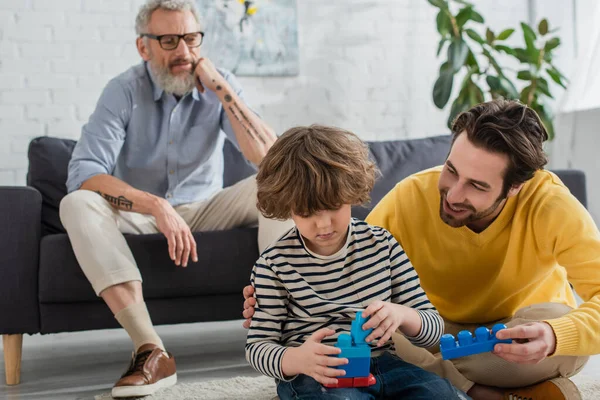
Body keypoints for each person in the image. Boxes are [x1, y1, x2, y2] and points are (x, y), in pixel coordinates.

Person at [244, 99, 600, 400]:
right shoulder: (411, 196)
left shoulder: (550, 205)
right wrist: (272, 303)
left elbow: (417, 318)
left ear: (515, 188)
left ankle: (467, 385)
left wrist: (555, 337)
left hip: (506, 338)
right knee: (384, 339)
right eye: (451, 170)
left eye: (477, 185)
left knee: (563, 329)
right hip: (423, 339)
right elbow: (346, 270)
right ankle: (488, 390)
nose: (454, 194)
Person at [59, 0, 291, 397]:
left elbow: (271, 160)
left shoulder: (219, 84)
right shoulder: (123, 91)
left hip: (207, 208)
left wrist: (221, 88)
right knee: (76, 203)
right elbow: (83, 174)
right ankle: (151, 350)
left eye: (190, 38)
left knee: (279, 185)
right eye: (168, 40)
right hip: (143, 215)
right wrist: (156, 205)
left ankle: (289, 331)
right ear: (143, 47)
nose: (183, 51)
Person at [245, 125, 469, 399]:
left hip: (384, 365)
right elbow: (258, 347)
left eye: (335, 206)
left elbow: (433, 329)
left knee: (440, 393)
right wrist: (297, 359)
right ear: (288, 207)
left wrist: (402, 315)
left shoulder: (382, 245)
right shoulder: (273, 265)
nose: (324, 224)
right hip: (318, 374)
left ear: (350, 193)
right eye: (307, 213)